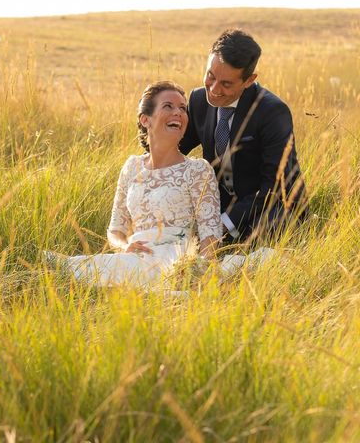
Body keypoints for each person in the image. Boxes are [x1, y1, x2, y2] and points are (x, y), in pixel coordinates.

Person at [45, 81, 223, 290]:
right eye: (168, 106)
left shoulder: (198, 170)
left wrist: (195, 272)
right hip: (134, 256)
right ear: (145, 119)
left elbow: (210, 235)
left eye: (182, 108)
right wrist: (124, 246)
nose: (178, 113)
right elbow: (115, 231)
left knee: (82, 273)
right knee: (59, 268)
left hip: (174, 259)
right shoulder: (132, 167)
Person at [179, 29, 306, 242]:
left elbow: (273, 188)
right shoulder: (198, 99)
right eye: (211, 76)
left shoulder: (272, 112)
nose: (214, 89)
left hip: (270, 206)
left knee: (263, 232)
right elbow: (174, 149)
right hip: (221, 201)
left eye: (226, 84)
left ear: (249, 80)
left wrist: (224, 223)